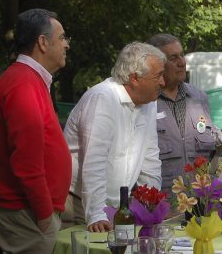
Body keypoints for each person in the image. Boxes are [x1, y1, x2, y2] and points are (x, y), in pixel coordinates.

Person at [62, 42, 166, 232]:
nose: (163, 82)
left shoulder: (148, 101)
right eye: (158, 76)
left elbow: (150, 159)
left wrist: (150, 204)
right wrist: (96, 214)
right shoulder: (103, 98)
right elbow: (95, 161)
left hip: (115, 207)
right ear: (134, 78)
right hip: (78, 204)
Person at [0, 8, 72, 253]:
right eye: (62, 38)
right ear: (42, 42)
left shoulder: (28, 80)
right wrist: (44, 215)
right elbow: (26, 163)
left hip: (29, 213)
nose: (66, 45)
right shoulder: (23, 84)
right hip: (26, 215)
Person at [147, 33, 222, 198]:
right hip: (161, 206)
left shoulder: (198, 97)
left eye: (182, 55)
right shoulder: (146, 100)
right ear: (156, 64)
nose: (182, 62)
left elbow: (216, 140)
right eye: (173, 58)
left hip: (200, 203)